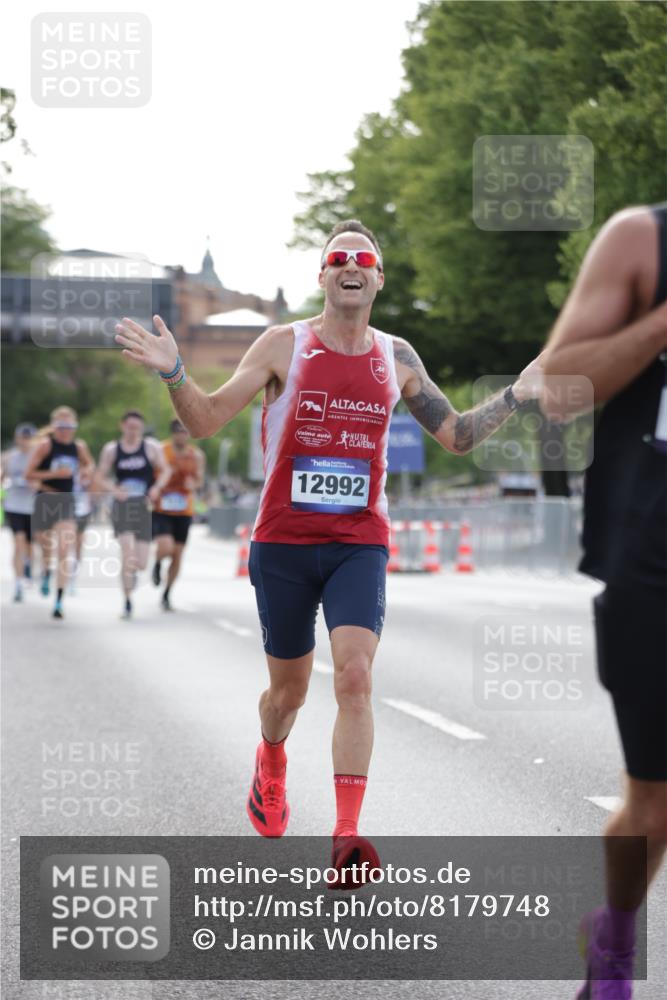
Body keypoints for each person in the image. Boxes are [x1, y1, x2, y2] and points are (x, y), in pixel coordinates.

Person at [115, 219, 542, 879]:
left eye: (362, 259)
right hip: (283, 542)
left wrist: (515, 395)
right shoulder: (282, 344)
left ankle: (346, 837)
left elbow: (455, 436)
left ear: (376, 278)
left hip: (358, 542)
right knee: (286, 696)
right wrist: (173, 370)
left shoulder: (396, 357)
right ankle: (272, 758)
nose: (350, 265)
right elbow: (204, 421)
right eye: (337, 257)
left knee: (354, 676)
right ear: (322, 276)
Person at [543, 203, 667, 999]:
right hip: (653, 555)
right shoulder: (642, 239)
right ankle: (616, 933)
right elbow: (557, 390)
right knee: (652, 804)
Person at [96, 411, 171, 619]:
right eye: (130, 427)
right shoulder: (112, 450)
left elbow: (165, 470)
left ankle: (135, 575)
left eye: (137, 427)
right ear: (123, 426)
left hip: (143, 505)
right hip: (122, 505)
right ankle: (127, 601)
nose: (133, 431)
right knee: (127, 552)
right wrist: (114, 489)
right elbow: (100, 476)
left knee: (141, 562)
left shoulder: (151, 447)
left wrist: (156, 488)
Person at [23, 406, 95, 619]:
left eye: (70, 427)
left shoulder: (79, 447)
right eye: (61, 427)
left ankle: (59, 600)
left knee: (65, 550)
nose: (65, 431)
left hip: (66, 500)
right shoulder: (45, 446)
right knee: (46, 547)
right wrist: (55, 472)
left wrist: (85, 472)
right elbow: (29, 474)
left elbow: (89, 464)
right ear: (54, 427)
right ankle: (46, 572)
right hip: (45, 499)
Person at [151, 418, 206, 611]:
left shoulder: (196, 455)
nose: (182, 435)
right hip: (162, 508)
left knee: (177, 554)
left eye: (185, 431)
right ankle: (157, 563)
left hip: (184, 509)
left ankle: (167, 593)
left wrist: (194, 484)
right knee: (165, 547)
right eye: (178, 431)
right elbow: (151, 473)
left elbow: (200, 480)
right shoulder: (161, 450)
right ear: (173, 433)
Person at [1, 422, 38, 602]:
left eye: (28, 438)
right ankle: (17, 583)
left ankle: (29, 566)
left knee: (30, 545)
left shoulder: (38, 457)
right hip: (14, 505)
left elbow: (44, 481)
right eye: (23, 438)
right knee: (18, 542)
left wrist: (35, 484)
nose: (25, 441)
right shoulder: (9, 458)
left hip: (32, 506)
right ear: (17, 438)